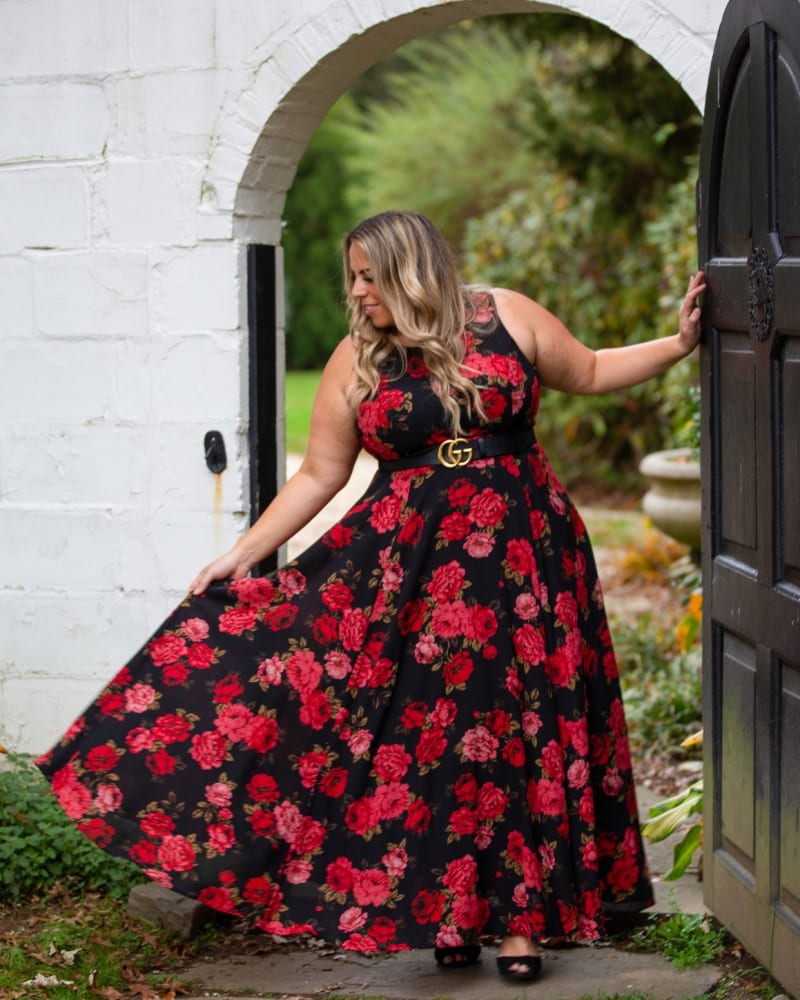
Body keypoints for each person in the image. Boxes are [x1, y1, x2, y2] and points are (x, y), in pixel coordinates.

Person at [38, 210, 705, 984]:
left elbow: (587, 370)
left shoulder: (504, 315)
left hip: (529, 558)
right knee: (435, 738)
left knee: (520, 725)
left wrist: (680, 344)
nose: (357, 292)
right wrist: (243, 555)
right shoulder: (357, 358)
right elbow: (320, 474)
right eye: (352, 276)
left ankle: (520, 924)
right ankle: (453, 913)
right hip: (412, 575)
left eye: (368, 276)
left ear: (410, 269)